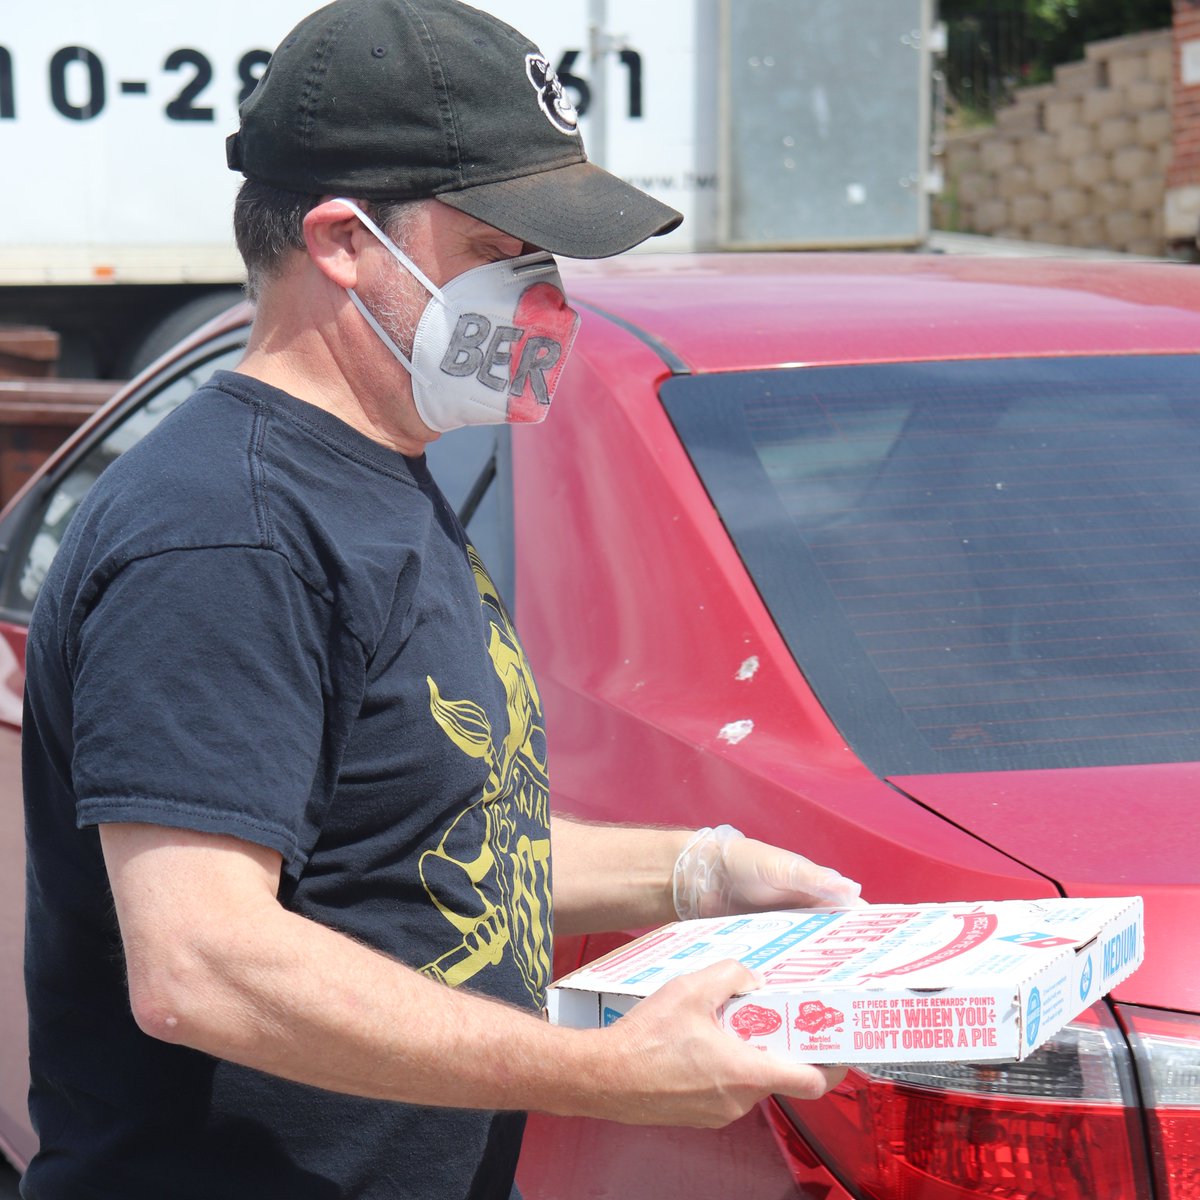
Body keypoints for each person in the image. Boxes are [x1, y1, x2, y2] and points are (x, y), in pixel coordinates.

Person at [20, 2, 863, 1197]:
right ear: (343, 241)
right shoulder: (226, 532)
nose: (545, 298)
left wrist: (698, 875)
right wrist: (609, 1071)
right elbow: (200, 961)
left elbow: (415, 850)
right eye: (501, 251)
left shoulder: (381, 473)